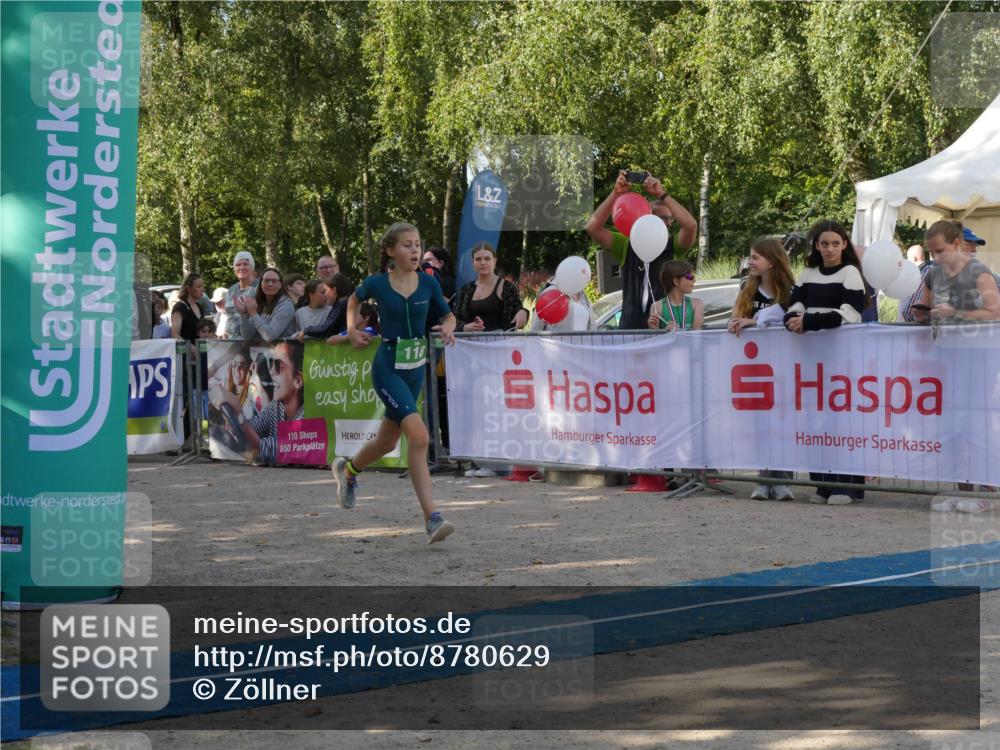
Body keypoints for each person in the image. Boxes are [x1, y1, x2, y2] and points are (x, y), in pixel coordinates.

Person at [331, 222, 458, 544]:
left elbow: (447, 315)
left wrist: (449, 328)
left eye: (418, 244)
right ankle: (431, 517)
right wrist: (352, 329)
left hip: (415, 368)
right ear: (390, 251)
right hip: (387, 367)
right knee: (419, 436)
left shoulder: (428, 285)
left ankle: (349, 470)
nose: (415, 250)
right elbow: (352, 301)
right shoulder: (377, 283)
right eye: (407, 245)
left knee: (388, 442)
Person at [783, 219, 867, 505]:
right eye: (824, 244)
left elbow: (849, 314)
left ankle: (847, 486)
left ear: (844, 244)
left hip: (841, 357)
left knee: (841, 420)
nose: (830, 249)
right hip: (810, 357)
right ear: (816, 246)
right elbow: (795, 304)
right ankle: (822, 484)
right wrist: (792, 320)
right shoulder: (807, 272)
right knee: (814, 420)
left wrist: (808, 321)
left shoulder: (850, 273)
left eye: (835, 243)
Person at [727, 237, 796, 501]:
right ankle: (762, 479)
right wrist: (735, 323)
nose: (750, 262)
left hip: (785, 365)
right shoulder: (748, 288)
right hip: (755, 365)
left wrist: (754, 321)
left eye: (756, 257)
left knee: (783, 422)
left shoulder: (790, 290)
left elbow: (787, 317)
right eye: (750, 256)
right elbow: (738, 316)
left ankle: (782, 481)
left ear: (771, 261)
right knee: (761, 422)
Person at [586, 169, 697, 330]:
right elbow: (592, 228)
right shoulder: (626, 244)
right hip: (630, 333)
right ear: (646, 217)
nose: (669, 223)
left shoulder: (673, 247)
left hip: (663, 331)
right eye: (664, 218)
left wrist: (662, 194)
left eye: (671, 219)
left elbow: (691, 225)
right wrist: (615, 194)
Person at [216, 341, 304, 466]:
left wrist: (237, 413)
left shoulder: (306, 417)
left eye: (279, 365)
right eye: (272, 364)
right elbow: (255, 426)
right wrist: (231, 420)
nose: (272, 371)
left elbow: (263, 449)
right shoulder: (276, 406)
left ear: (297, 381)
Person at [454, 242, 529, 333]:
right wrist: (464, 327)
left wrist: (523, 312)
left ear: (494, 261)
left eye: (487, 259)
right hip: (470, 344)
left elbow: (518, 310)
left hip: (500, 344)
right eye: (478, 259)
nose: (483, 262)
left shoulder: (507, 287)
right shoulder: (465, 289)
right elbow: (454, 319)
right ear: (473, 262)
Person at [237, 267, 297, 345]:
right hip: (260, 353)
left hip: (282, 354)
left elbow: (269, 336)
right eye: (266, 280)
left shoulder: (286, 306)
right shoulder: (259, 304)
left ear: (280, 285)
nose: (270, 284)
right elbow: (247, 336)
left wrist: (253, 313)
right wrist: (243, 314)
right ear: (261, 283)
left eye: (274, 281)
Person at [294, 273, 353, 342]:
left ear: (334, 290)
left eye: (326, 290)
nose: (325, 294)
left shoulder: (342, 304)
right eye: (323, 292)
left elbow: (327, 328)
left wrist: (306, 330)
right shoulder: (344, 302)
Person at [647, 261, 704, 331]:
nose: (694, 280)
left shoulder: (697, 304)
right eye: (690, 276)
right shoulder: (657, 307)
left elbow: (697, 337)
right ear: (676, 281)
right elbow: (655, 340)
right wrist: (655, 329)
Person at [224, 251, 259, 339]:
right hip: (231, 340)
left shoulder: (259, 288)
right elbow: (229, 315)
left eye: (246, 264)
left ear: (252, 267)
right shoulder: (232, 289)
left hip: (252, 340)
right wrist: (225, 331)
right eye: (238, 265)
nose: (242, 267)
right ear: (234, 268)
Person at [171, 273, 205, 343]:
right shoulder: (180, 307)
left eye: (203, 286)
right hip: (186, 351)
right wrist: (191, 348)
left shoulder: (199, 307)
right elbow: (175, 335)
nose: (202, 289)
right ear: (189, 289)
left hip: (200, 350)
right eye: (199, 287)